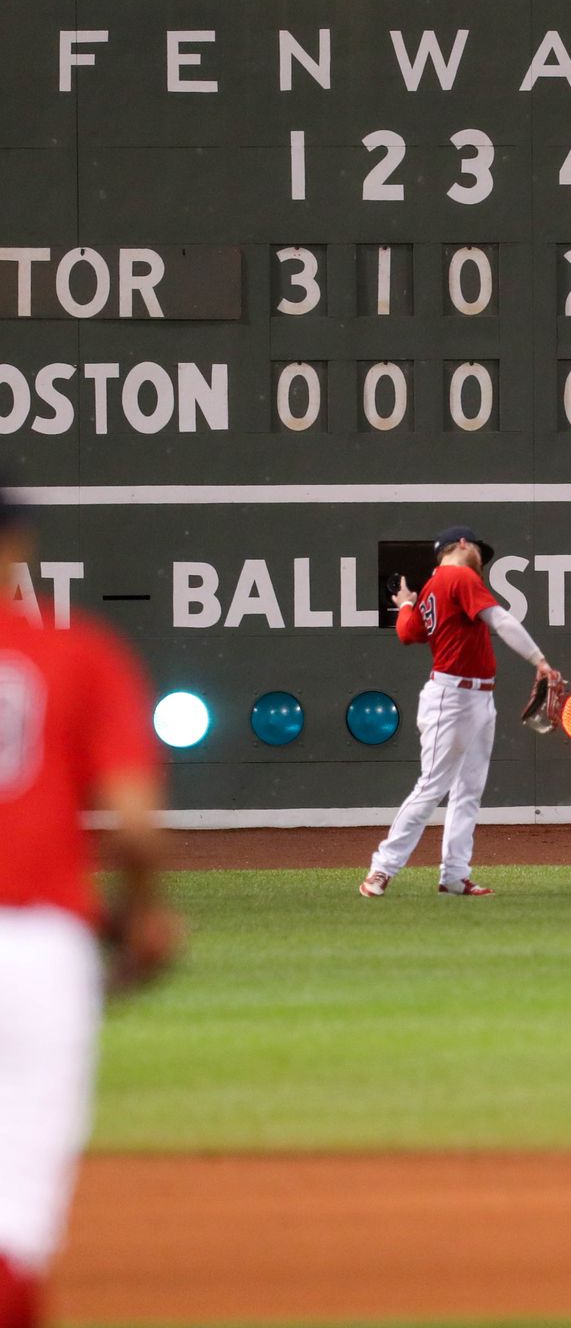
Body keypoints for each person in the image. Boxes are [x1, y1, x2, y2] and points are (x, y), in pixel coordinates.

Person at [0, 484, 179, 1328]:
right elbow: (137, 829)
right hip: (38, 947)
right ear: (19, 547)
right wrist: (141, 913)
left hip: (45, 943)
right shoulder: (80, 654)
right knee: (16, 1225)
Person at [360, 525, 555, 899]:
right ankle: (381, 868)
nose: (481, 562)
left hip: (478, 697)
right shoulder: (457, 575)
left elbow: (408, 632)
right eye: (480, 553)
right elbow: (500, 620)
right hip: (451, 697)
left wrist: (405, 604)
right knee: (432, 786)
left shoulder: (435, 587)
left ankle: (453, 875)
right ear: (463, 545)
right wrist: (539, 660)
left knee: (468, 791)